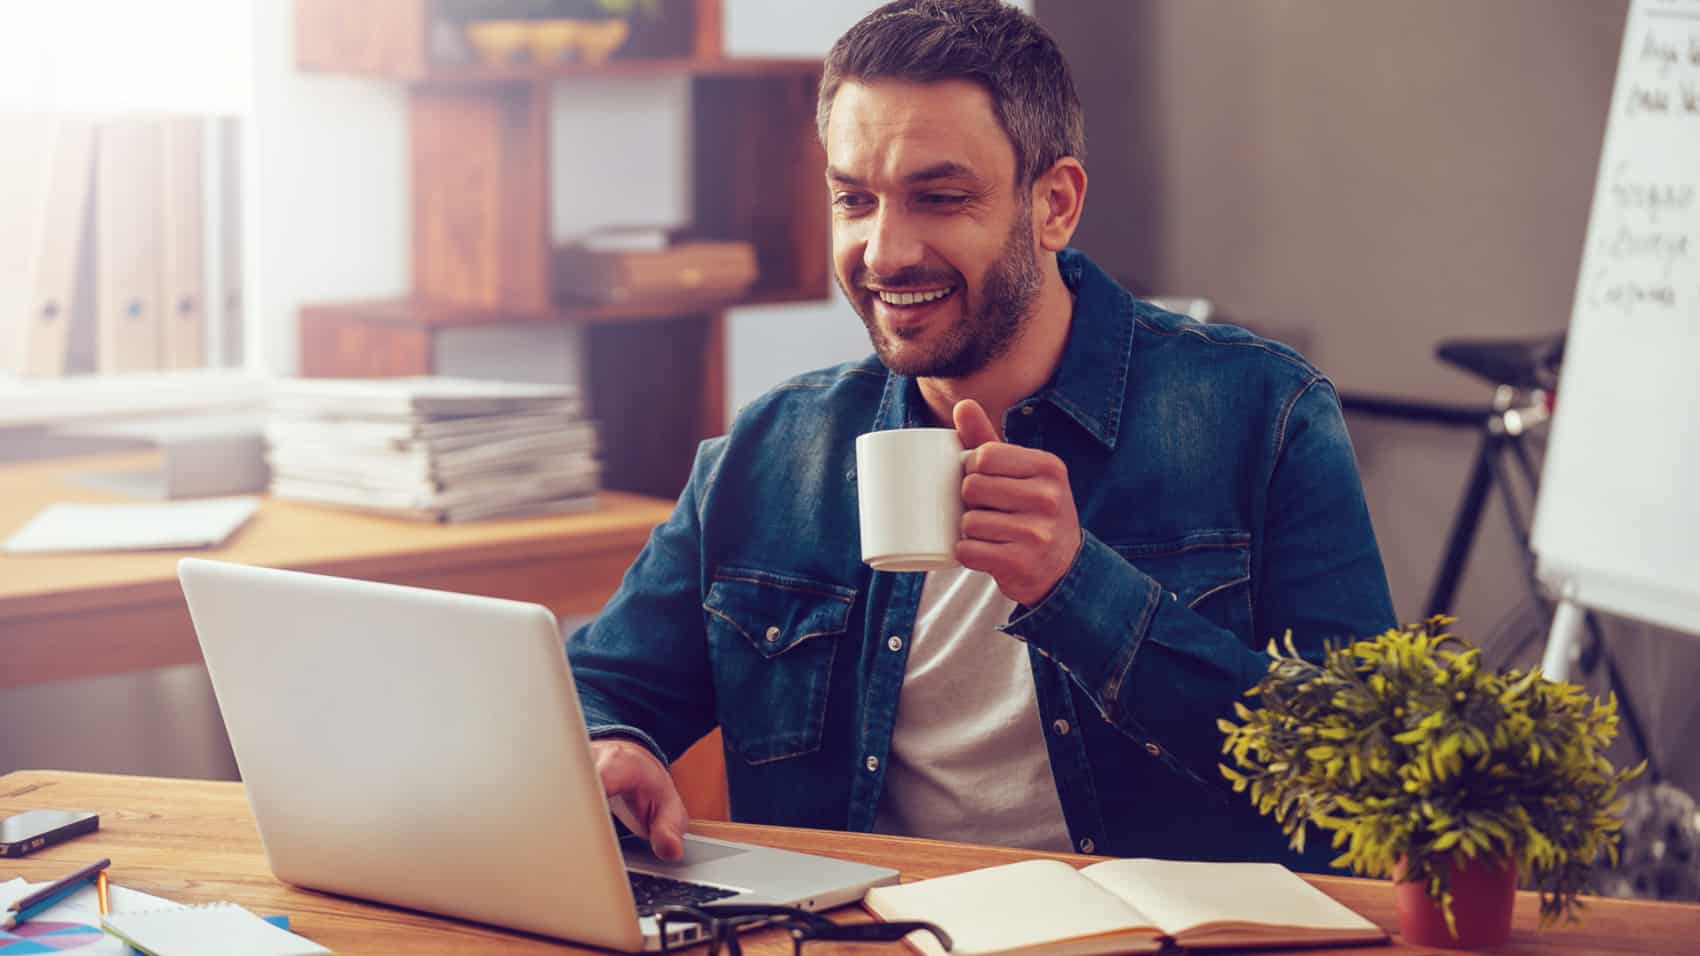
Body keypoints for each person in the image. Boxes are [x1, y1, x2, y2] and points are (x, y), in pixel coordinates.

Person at [569, 0, 1395, 870]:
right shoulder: (772, 450)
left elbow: (1371, 770)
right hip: (862, 931)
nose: (884, 251)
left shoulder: (1261, 414)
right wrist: (610, 742)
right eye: (855, 198)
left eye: (940, 197)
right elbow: (601, 686)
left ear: (1055, 204)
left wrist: (1081, 592)